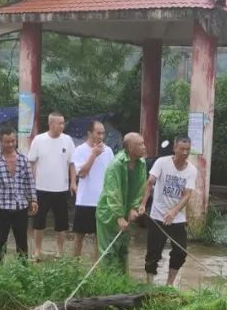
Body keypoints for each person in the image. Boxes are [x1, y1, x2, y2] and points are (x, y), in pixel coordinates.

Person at [141, 136, 197, 286]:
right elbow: (150, 182)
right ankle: (149, 284)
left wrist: (174, 211)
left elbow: (187, 195)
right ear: (174, 148)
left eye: (188, 150)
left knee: (180, 252)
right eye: (182, 149)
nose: (185, 152)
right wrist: (143, 204)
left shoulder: (192, 170)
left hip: (177, 218)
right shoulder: (162, 162)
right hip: (157, 216)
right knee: (154, 252)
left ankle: (169, 284)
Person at [95, 132, 148, 273]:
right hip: (109, 212)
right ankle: (106, 283)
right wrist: (118, 215)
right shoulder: (116, 164)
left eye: (143, 143)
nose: (144, 147)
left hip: (126, 212)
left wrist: (134, 208)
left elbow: (140, 187)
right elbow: (113, 191)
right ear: (130, 147)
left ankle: (122, 282)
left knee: (123, 250)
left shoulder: (141, 163)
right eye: (140, 144)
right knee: (108, 251)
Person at [27, 111, 75, 260]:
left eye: (63, 122)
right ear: (51, 124)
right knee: (38, 221)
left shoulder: (67, 140)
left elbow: (72, 163)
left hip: (61, 189)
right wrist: (30, 185)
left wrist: (73, 182)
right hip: (41, 188)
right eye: (60, 123)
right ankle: (37, 250)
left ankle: (59, 251)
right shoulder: (39, 140)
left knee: (61, 223)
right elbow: (31, 162)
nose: (62, 125)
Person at [0, 127, 38, 263]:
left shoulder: (23, 160)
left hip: (20, 206)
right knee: (0, 240)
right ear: (0, 142)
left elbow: (29, 181)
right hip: (2, 207)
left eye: (12, 141)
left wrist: (33, 200)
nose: (10, 145)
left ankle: (23, 270)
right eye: (7, 142)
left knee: (22, 240)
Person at [71, 120, 113, 258]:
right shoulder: (80, 150)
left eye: (103, 133)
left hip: (102, 201)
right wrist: (93, 154)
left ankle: (97, 269)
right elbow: (82, 173)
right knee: (79, 237)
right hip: (84, 201)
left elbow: (112, 176)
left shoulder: (109, 151)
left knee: (99, 238)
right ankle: (73, 266)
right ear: (89, 133)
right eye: (98, 133)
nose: (101, 136)